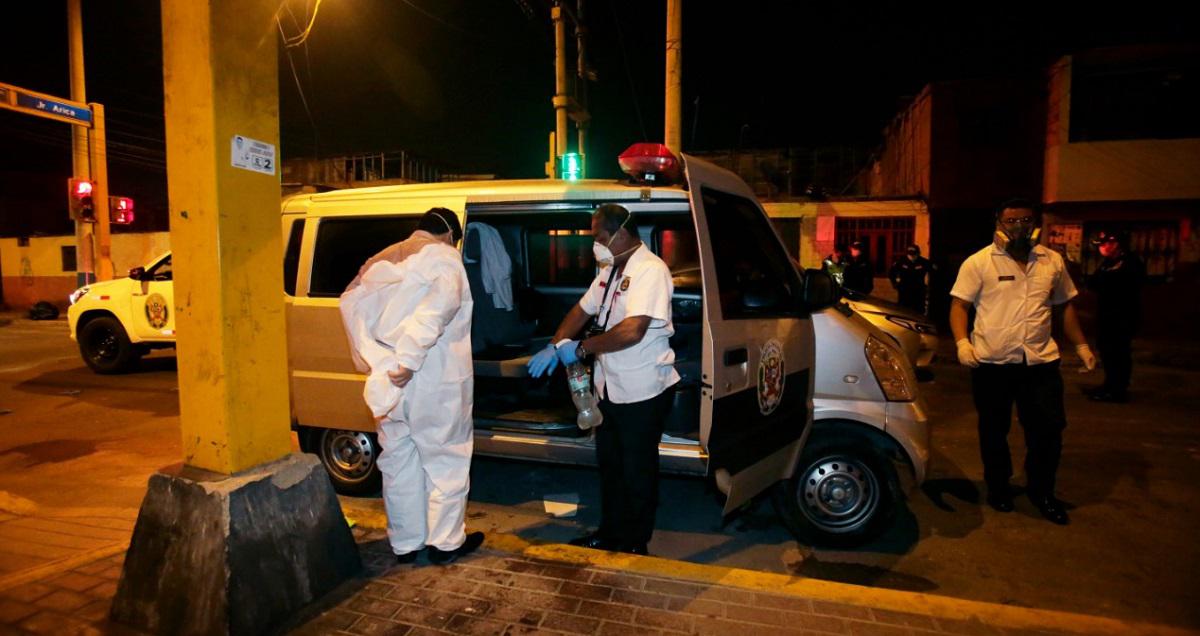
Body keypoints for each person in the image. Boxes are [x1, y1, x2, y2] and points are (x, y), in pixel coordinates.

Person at [526, 203, 679, 555]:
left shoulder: (650, 270)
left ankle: (635, 543)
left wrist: (580, 348)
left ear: (620, 234)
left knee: (637, 470)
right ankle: (610, 533)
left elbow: (633, 330)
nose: (595, 244)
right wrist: (555, 345)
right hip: (609, 388)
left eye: (599, 236)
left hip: (643, 390)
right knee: (610, 466)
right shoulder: (610, 272)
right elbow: (581, 310)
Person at [339, 208, 484, 565]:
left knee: (398, 461)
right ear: (450, 235)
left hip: (386, 380)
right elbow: (439, 306)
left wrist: (374, 358)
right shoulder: (444, 257)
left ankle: (405, 543)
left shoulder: (381, 259)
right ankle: (445, 543)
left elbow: (349, 303)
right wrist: (408, 359)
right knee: (446, 459)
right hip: (432, 378)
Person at [949, 198, 1097, 526]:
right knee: (993, 430)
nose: (1019, 227)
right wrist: (962, 342)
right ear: (998, 224)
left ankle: (1042, 492)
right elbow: (959, 306)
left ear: (1036, 224)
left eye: (1026, 220)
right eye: (1012, 221)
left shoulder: (1051, 261)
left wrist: (1082, 345)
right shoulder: (979, 262)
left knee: (1048, 430)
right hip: (992, 363)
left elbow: (1064, 306)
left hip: (1040, 363)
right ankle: (998, 487)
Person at [1087, 229, 1145, 403]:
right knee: (1106, 351)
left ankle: (1118, 389)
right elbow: (1095, 283)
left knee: (1119, 352)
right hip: (1106, 315)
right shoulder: (1108, 263)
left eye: (1107, 243)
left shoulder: (1131, 262)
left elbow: (1126, 287)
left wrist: (1108, 283)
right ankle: (1109, 384)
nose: (1103, 248)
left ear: (1118, 244)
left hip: (1123, 317)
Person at [889, 245, 934, 314]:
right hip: (904, 290)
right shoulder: (901, 262)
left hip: (918, 291)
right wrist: (894, 284)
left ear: (918, 253)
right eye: (910, 254)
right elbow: (891, 273)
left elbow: (934, 272)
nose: (912, 256)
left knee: (918, 311)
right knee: (903, 310)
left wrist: (929, 287)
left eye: (914, 254)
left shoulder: (924, 262)